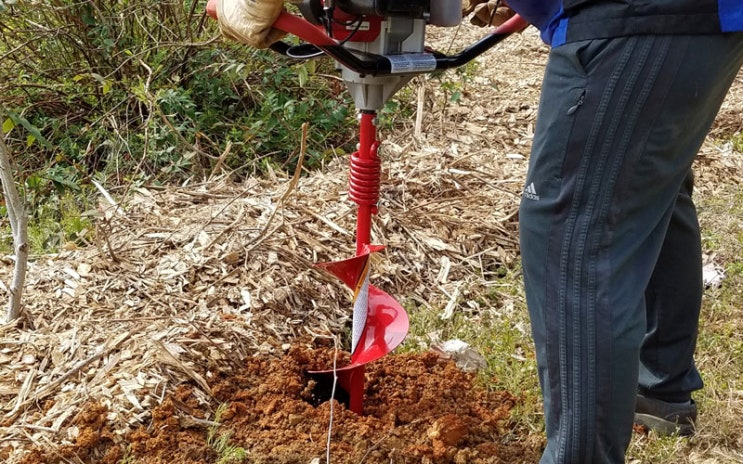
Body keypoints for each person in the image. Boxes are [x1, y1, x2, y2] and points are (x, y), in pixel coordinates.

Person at [210, 0, 743, 462]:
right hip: (692, 21)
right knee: (642, 185)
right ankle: (660, 391)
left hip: (634, 18)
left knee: (571, 230)